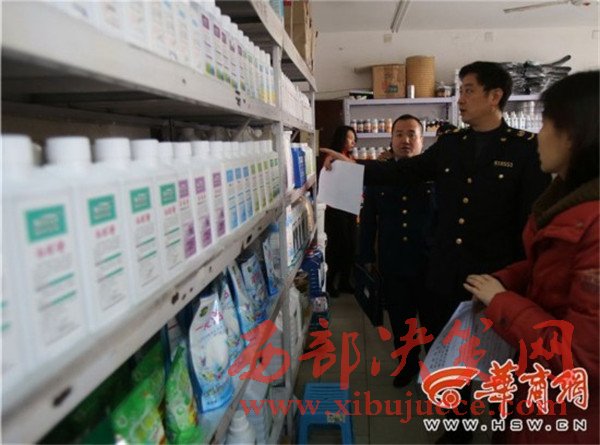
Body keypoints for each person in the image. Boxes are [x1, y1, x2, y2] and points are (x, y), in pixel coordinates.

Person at [322, 61, 552, 443]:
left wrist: (522, 277)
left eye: (469, 90)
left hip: (498, 276)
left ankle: (503, 428)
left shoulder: (525, 149)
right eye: (460, 90)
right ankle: (457, 426)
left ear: (495, 96)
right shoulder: (451, 145)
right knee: (452, 355)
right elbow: (402, 172)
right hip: (448, 270)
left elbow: (531, 220)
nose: (460, 98)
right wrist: (352, 166)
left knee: (501, 358)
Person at [464, 70, 599, 445]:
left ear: (575, 133)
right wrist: (507, 279)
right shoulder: (565, 200)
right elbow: (553, 266)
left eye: (546, 124)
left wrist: (502, 302)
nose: (539, 135)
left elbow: (580, 359)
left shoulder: (593, 222)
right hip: (538, 395)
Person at [357, 114, 435, 388]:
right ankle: (408, 365)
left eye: (412, 134)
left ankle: (435, 370)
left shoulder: (435, 174)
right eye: (399, 134)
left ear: (422, 140)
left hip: (430, 263)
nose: (405, 140)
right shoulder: (380, 174)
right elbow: (368, 220)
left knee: (433, 322)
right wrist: (366, 257)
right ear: (391, 139)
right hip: (394, 261)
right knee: (401, 321)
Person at [323, 125, 358, 298]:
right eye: (349, 138)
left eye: (354, 138)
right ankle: (330, 282)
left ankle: (345, 281)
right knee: (337, 247)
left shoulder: (349, 157)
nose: (353, 142)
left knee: (350, 246)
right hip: (336, 210)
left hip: (350, 208)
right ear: (341, 138)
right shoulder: (332, 158)